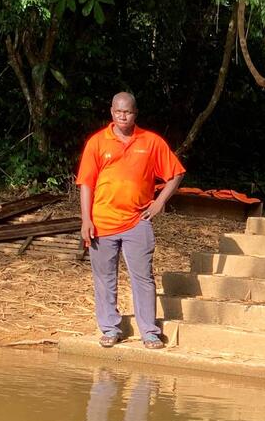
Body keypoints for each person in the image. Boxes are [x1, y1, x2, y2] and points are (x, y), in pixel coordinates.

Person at [76, 91, 184, 348]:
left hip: (138, 221)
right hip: (102, 222)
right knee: (104, 279)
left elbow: (176, 173)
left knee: (143, 277)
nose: (123, 116)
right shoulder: (97, 142)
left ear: (135, 114)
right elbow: (86, 184)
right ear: (111, 112)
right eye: (118, 112)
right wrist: (85, 220)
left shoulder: (151, 142)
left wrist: (159, 203)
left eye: (128, 112)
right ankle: (110, 329)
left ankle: (149, 331)